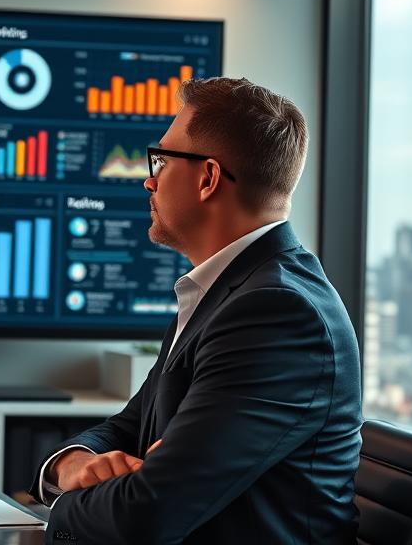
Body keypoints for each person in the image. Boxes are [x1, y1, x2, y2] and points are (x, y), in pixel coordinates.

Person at [29, 77, 362, 544]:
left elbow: (148, 513)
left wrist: (63, 505)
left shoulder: (275, 312)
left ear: (207, 178)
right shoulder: (228, 290)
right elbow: (130, 427)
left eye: (162, 161)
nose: (149, 178)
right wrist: (71, 465)